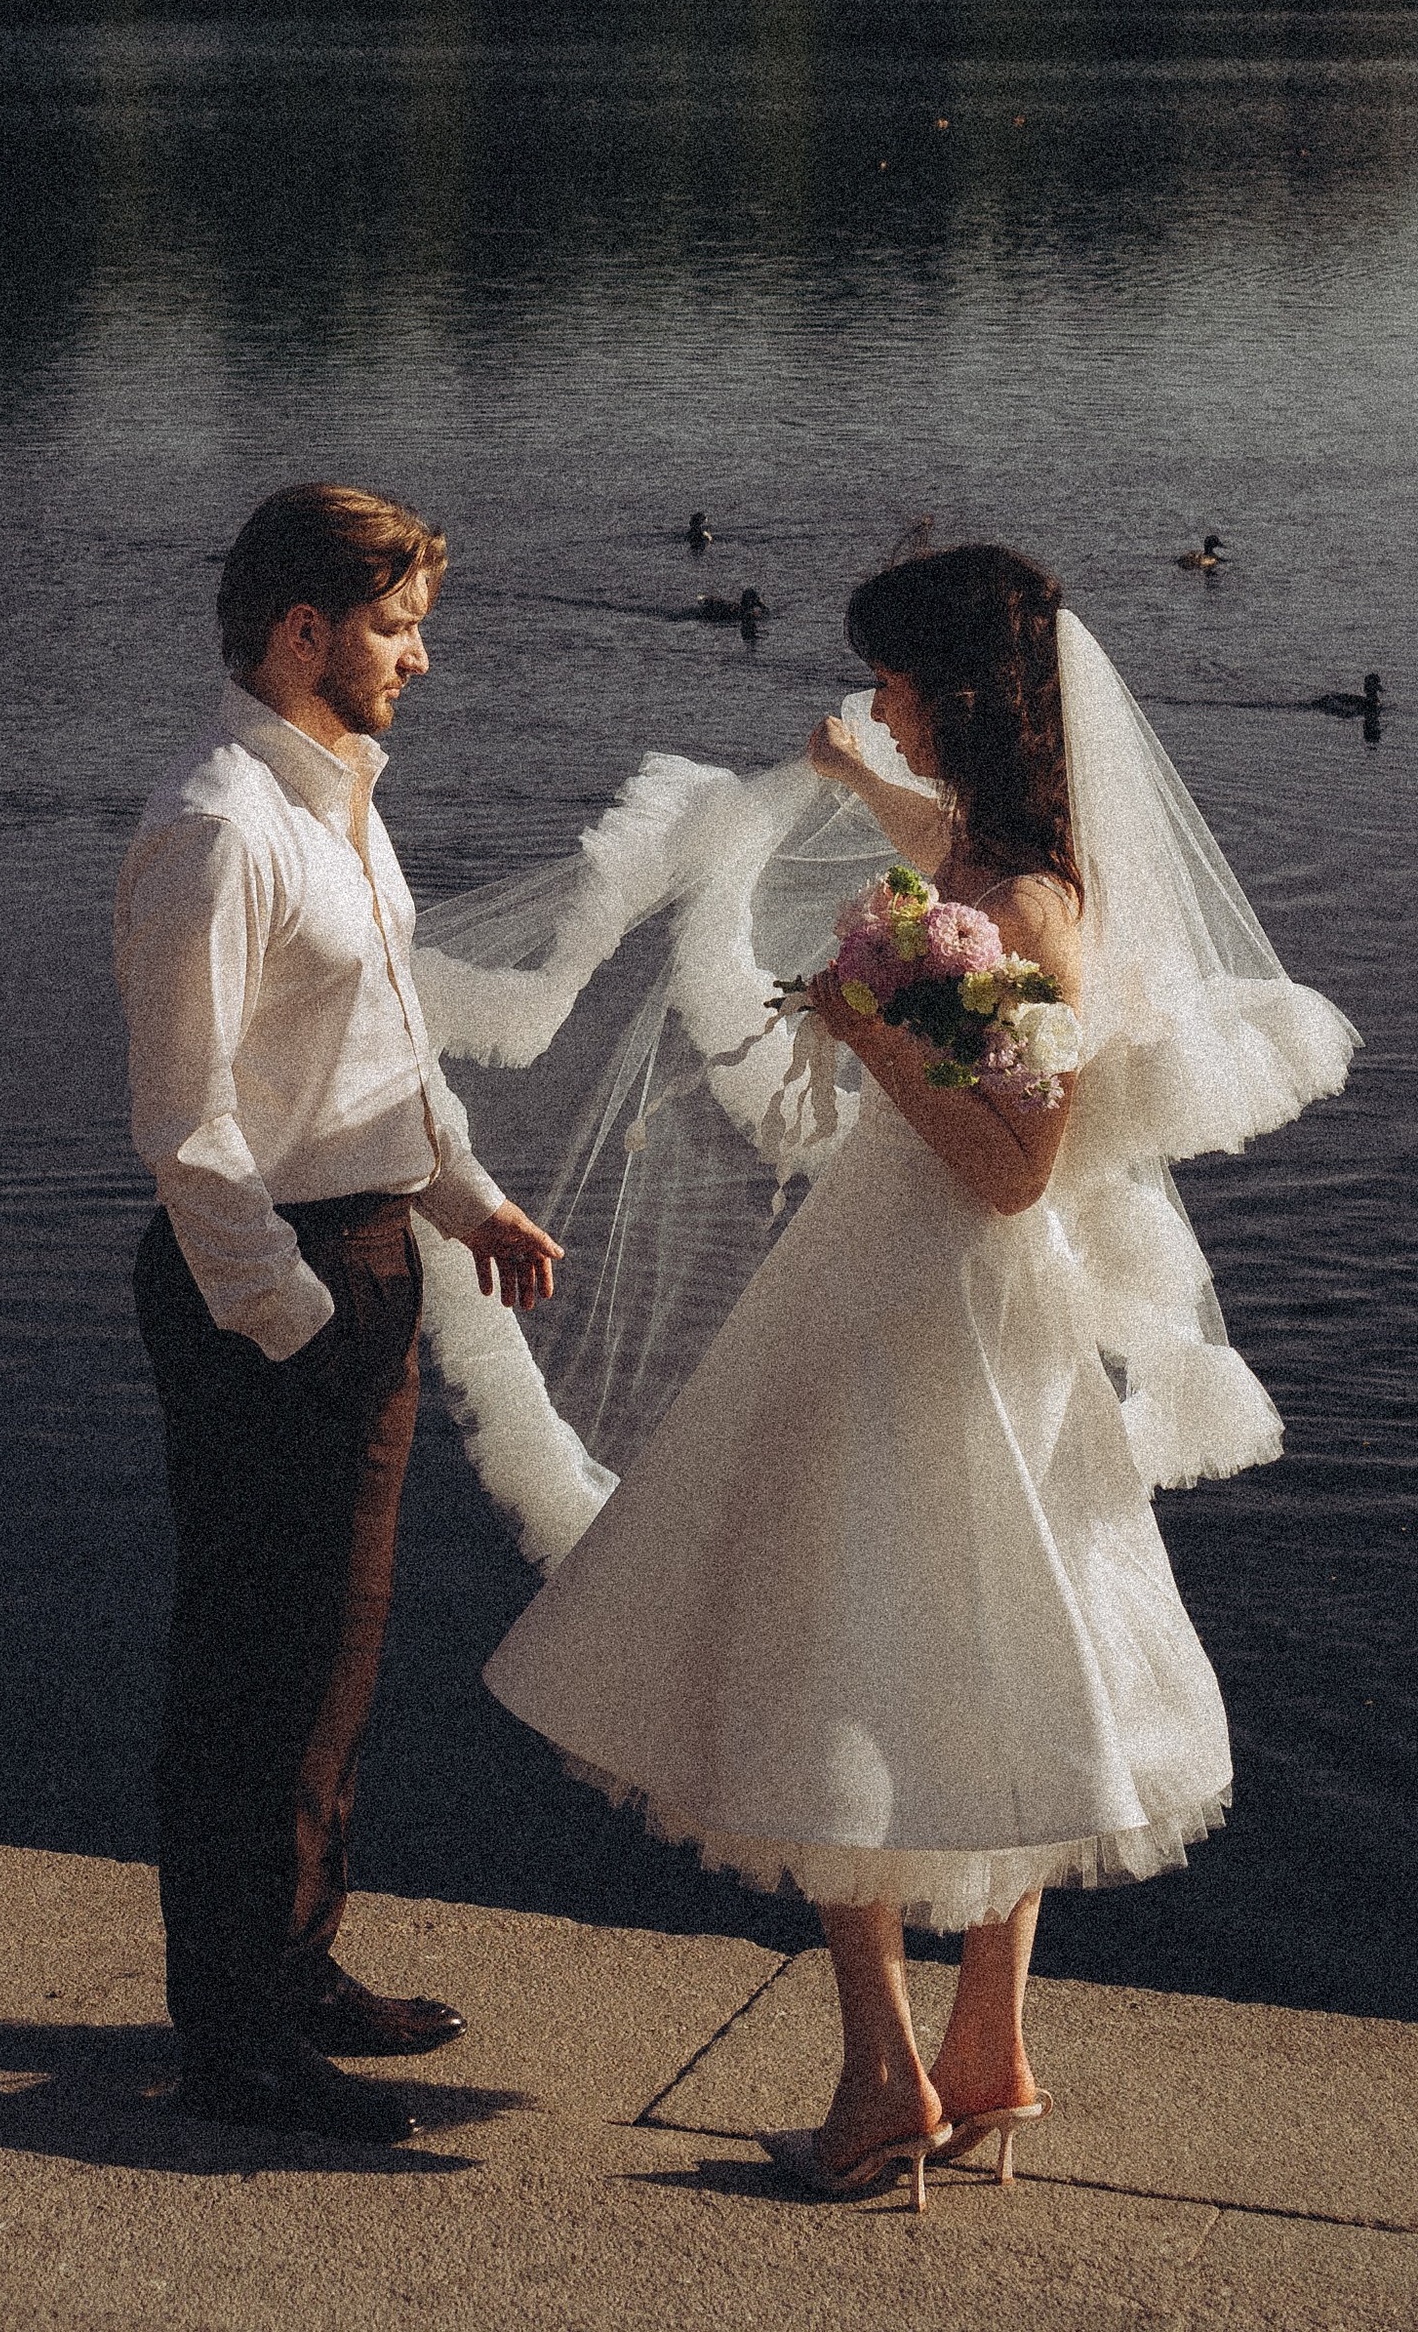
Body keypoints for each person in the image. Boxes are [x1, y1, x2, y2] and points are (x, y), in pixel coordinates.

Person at [477, 543, 1354, 2209]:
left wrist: (874, 1026)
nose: (876, 699)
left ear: (958, 689)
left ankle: (884, 2081)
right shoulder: (1026, 863)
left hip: (917, 1292)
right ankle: (985, 2051)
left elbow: (1018, 1162)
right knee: (1000, 1640)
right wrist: (854, 781)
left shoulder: (1017, 909)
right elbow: (937, 855)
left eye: (892, 680)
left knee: (837, 1642)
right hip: (966, 1307)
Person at [120, 481, 564, 2142]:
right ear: (300, 633)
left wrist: (466, 1198)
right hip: (271, 1287)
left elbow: (379, 1053)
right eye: (395, 626)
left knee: (333, 1660)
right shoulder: (219, 826)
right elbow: (187, 1127)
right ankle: (230, 2043)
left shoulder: (342, 807)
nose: (421, 659)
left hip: (362, 1253)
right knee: (252, 1670)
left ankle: (292, 1971)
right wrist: (292, 1323)